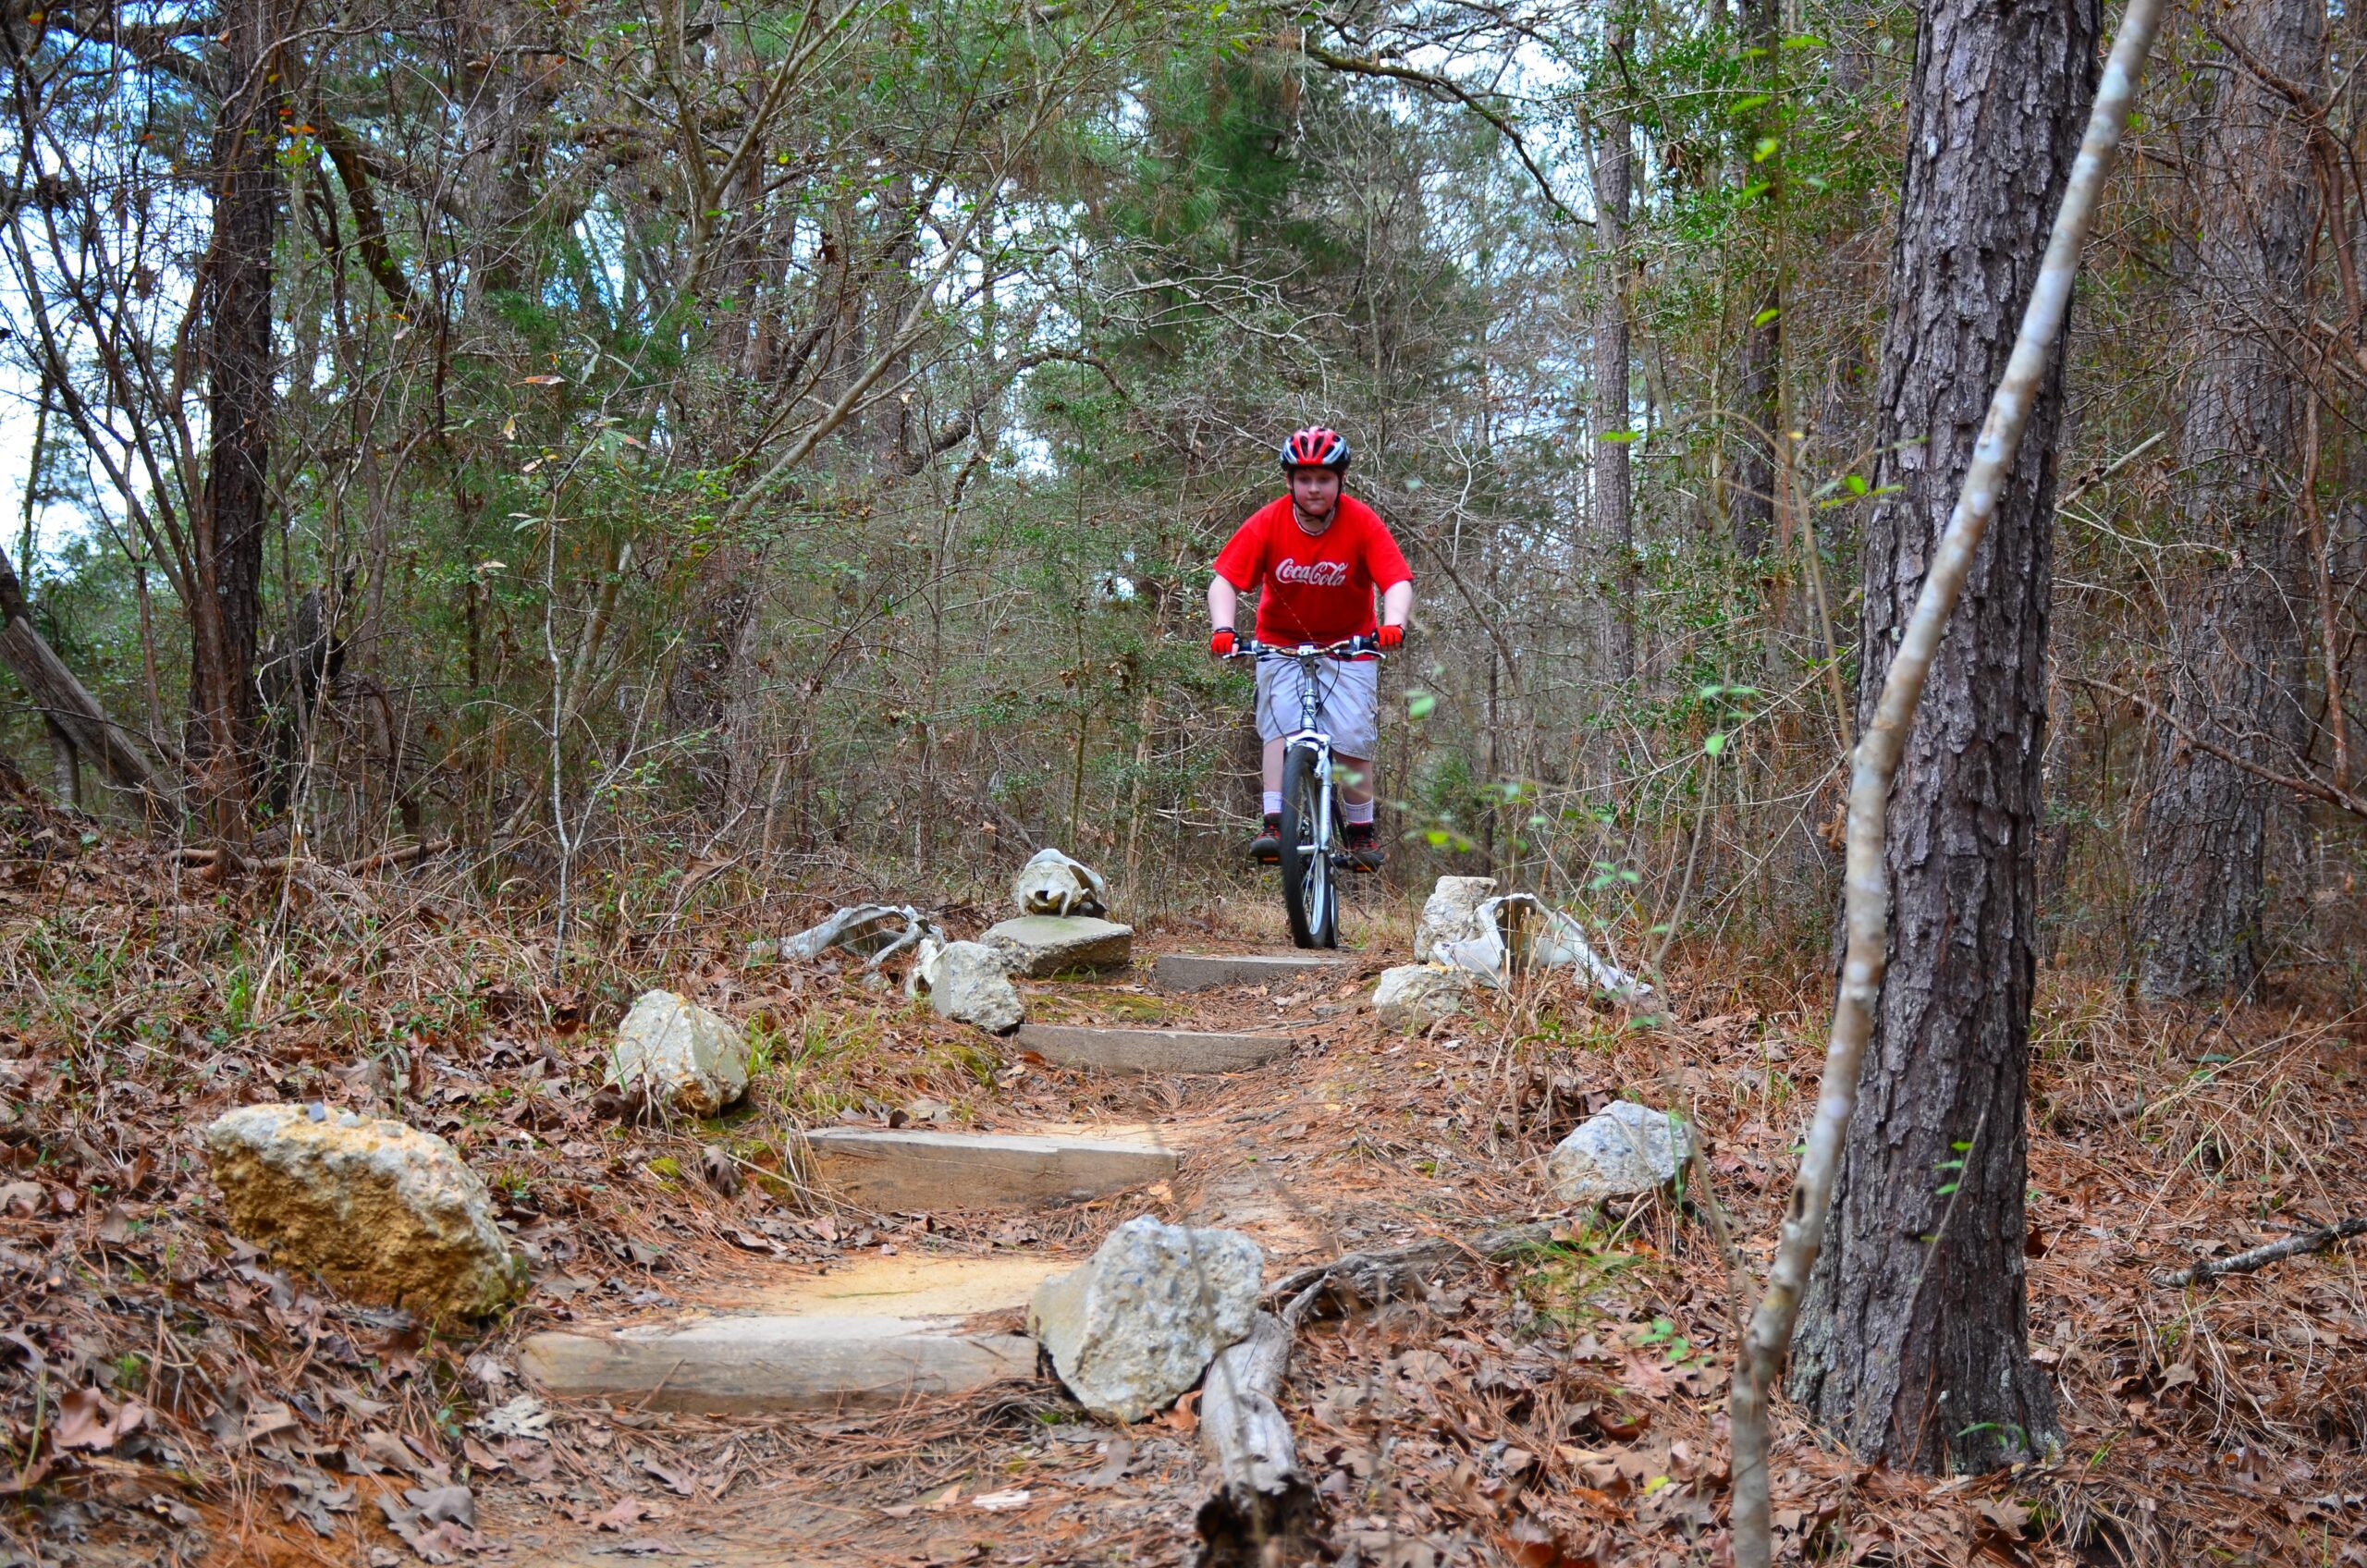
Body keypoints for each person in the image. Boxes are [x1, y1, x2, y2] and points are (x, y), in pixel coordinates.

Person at [1208, 426, 1414, 869]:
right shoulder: (1268, 522)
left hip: (1349, 645)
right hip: (1280, 644)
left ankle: (1360, 833)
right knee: (1278, 728)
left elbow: (1395, 579)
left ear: (1340, 480)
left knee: (1353, 737)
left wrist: (1392, 624)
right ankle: (1275, 823)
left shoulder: (1361, 521)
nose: (1314, 488)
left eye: (1323, 478)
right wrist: (1223, 628)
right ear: (1290, 482)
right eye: (1304, 479)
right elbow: (1224, 579)